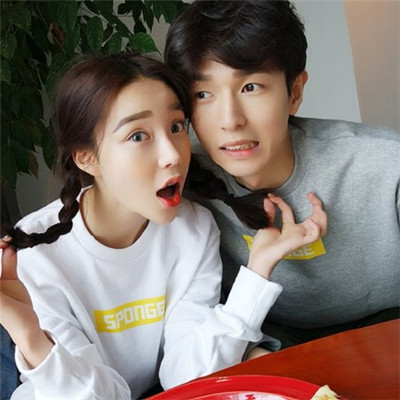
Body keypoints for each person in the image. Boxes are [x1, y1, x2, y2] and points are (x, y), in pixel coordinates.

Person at [0, 52, 327, 399]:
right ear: (87, 158)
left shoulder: (193, 228)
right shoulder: (33, 256)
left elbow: (186, 377)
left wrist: (257, 271)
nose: (173, 154)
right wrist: (30, 336)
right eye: (138, 136)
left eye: (175, 126)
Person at [164, 0, 400, 350]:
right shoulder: (180, 181)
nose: (230, 120)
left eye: (250, 87)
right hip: (272, 344)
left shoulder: (386, 165)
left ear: (295, 92)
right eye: (203, 94)